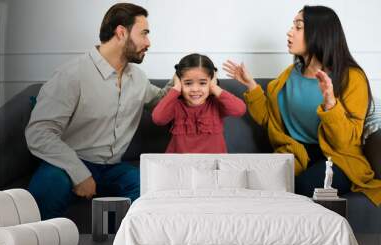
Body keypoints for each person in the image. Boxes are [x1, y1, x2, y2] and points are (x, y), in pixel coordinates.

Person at [25, 3, 172, 219]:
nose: (148, 43)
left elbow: (162, 103)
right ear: (121, 33)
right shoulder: (72, 74)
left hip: (113, 169)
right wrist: (79, 173)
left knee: (148, 188)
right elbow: (39, 132)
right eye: (144, 34)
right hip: (68, 163)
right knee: (50, 186)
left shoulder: (138, 78)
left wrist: (184, 79)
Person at [223, 5, 381, 206]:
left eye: (298, 27)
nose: (290, 32)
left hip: (338, 159)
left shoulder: (351, 77)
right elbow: (268, 119)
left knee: (303, 187)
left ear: (319, 33)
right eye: (292, 26)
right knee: (256, 185)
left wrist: (331, 104)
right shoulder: (288, 76)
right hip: (295, 155)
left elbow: (345, 142)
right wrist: (250, 85)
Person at [152, 53, 246, 153]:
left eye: (202, 83)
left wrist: (214, 88)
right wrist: (176, 88)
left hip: (212, 165)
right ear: (179, 82)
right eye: (188, 83)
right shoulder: (176, 105)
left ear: (211, 81)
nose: (195, 89)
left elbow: (240, 110)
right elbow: (158, 119)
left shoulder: (217, 104)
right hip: (181, 164)